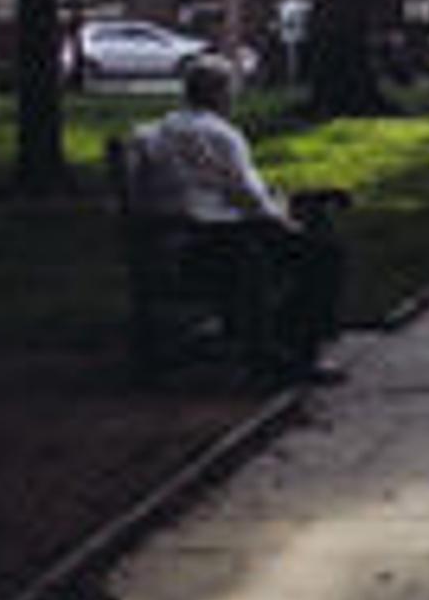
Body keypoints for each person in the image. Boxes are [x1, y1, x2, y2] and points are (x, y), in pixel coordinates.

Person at [135, 55, 345, 383]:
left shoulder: (162, 129)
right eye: (231, 89)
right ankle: (291, 348)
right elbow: (245, 193)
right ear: (221, 93)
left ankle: (277, 338)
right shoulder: (220, 133)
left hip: (177, 239)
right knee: (323, 253)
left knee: (298, 245)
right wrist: (283, 218)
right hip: (217, 241)